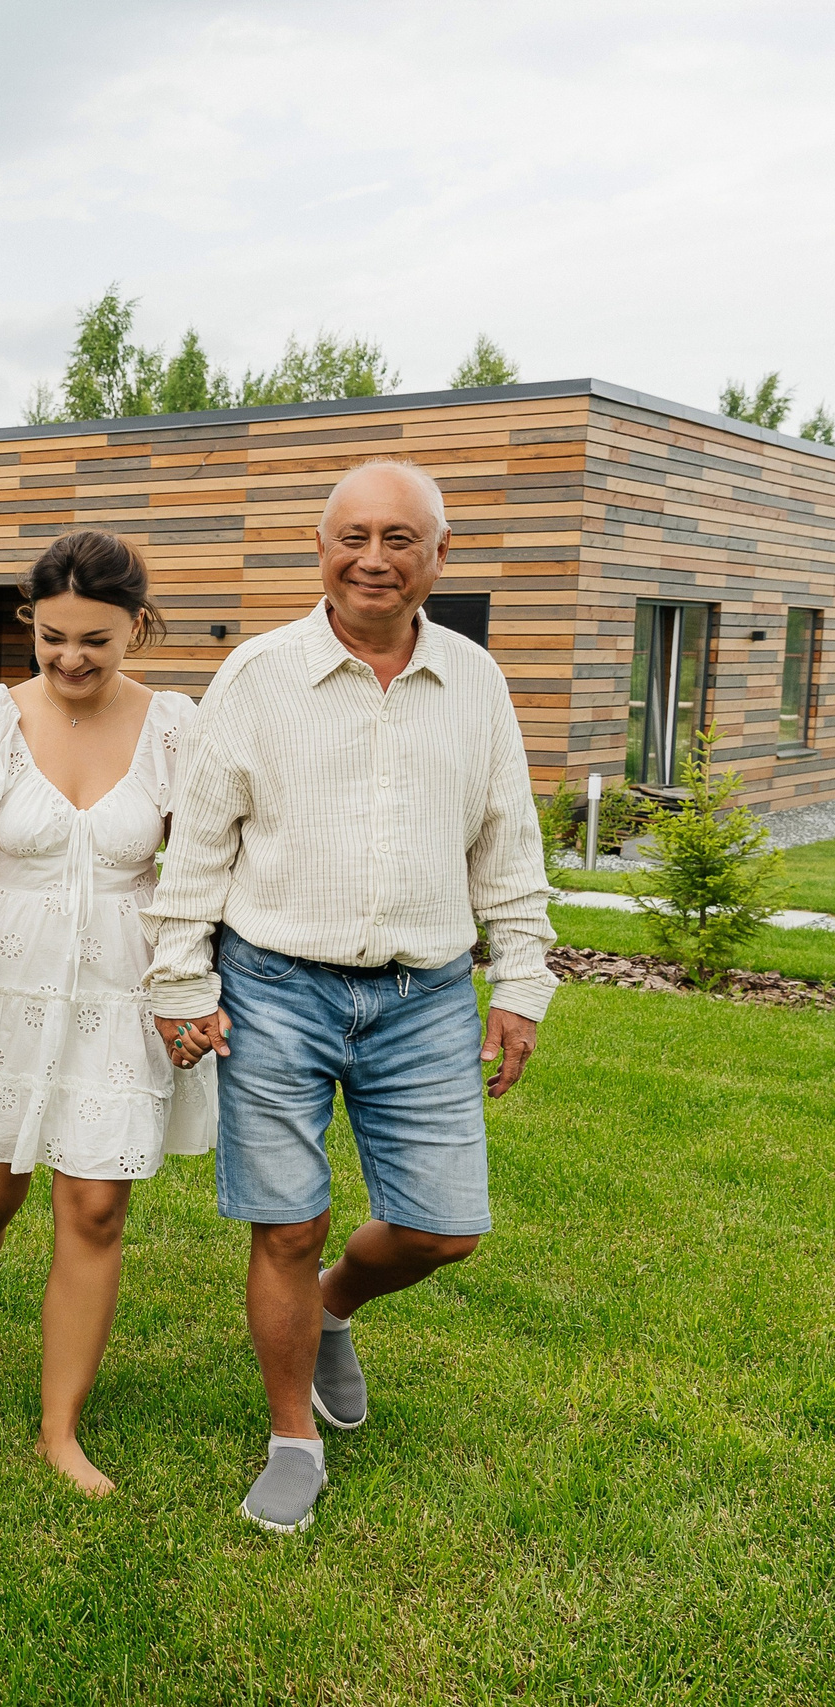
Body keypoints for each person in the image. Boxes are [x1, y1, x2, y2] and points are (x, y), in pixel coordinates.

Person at [144, 458, 554, 1535]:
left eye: (399, 538)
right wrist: (178, 979)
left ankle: (332, 1311)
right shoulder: (257, 675)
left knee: (442, 1230)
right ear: (319, 548)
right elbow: (199, 844)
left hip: (425, 997)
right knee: (285, 1221)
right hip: (272, 986)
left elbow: (506, 843)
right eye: (352, 536)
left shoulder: (475, 681)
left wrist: (521, 979)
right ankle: (292, 1439)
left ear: (438, 556)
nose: (373, 558)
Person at [0, 530, 214, 1498]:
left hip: (123, 996)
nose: (70, 659)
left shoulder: (177, 730)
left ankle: (57, 1430)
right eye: (53, 636)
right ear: (30, 621)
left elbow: (193, 874)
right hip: (1, 993)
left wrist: (194, 989)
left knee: (96, 1205)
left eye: (95, 641)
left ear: (137, 629)